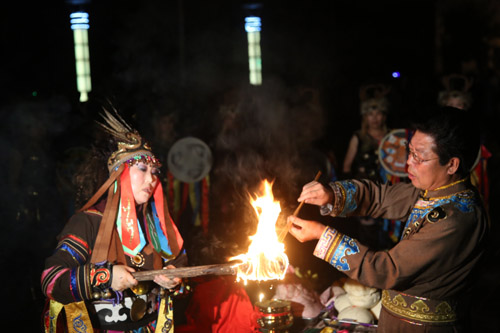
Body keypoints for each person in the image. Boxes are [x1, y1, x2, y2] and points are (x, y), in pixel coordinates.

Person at [287, 106, 488, 332]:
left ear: (452, 164)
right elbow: (379, 198)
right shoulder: (437, 192)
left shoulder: (455, 219)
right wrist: (331, 195)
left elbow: (385, 270)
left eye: (419, 157)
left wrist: (322, 235)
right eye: (409, 151)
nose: (408, 163)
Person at [41, 109, 186, 332]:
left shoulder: (154, 224)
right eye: (142, 169)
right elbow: (51, 279)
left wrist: (174, 276)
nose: (152, 179)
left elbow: (179, 261)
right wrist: (105, 277)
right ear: (120, 174)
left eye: (155, 171)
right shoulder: (88, 222)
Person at [342, 84, 393, 250]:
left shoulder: (392, 136)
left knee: (388, 229)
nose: (375, 118)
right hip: (365, 188)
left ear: (384, 115)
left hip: (388, 187)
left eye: (378, 113)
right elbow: (347, 166)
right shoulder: (359, 137)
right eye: (370, 114)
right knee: (367, 230)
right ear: (364, 116)